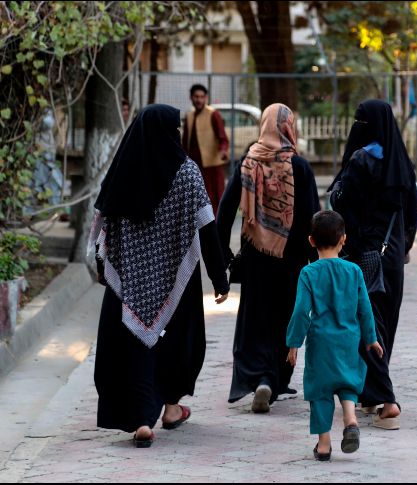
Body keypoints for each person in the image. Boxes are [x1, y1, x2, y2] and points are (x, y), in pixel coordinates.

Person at [89, 104, 230, 448]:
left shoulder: (123, 169)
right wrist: (220, 278)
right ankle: (169, 408)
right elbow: (207, 227)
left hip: (127, 281)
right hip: (174, 286)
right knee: (175, 345)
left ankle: (141, 420)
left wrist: (104, 266)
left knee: (131, 348)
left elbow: (102, 222)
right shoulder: (187, 172)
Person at [217, 103, 320, 413]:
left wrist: (222, 256)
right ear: (289, 128)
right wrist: (316, 260)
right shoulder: (299, 167)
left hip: (255, 256)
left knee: (256, 319)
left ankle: (259, 376)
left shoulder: (249, 162)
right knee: (284, 318)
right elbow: (313, 217)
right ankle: (273, 379)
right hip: (291, 260)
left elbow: (225, 211)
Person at [328, 99, 417, 430]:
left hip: (364, 254)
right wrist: (402, 248)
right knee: (385, 321)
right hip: (392, 254)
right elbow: (412, 215)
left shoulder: (362, 160)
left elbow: (343, 206)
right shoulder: (402, 162)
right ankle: (370, 394)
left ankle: (387, 399)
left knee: (366, 325)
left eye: (359, 121)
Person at [286, 210, 384, 461]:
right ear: (344, 239)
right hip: (349, 340)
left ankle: (324, 445)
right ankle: (350, 418)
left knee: (320, 391)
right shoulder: (354, 271)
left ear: (311, 241)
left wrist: (294, 343)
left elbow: (300, 311)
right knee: (347, 381)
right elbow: (365, 308)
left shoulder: (308, 273)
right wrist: (371, 338)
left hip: (320, 343)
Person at [182, 84, 230, 215]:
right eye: (196, 97)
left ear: (206, 98)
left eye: (202, 97)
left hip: (212, 166)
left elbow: (223, 138)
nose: (199, 100)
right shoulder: (189, 116)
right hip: (195, 166)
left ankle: (217, 229)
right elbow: (185, 142)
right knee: (197, 200)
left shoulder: (213, 114)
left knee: (216, 199)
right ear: (191, 97)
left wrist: (223, 150)